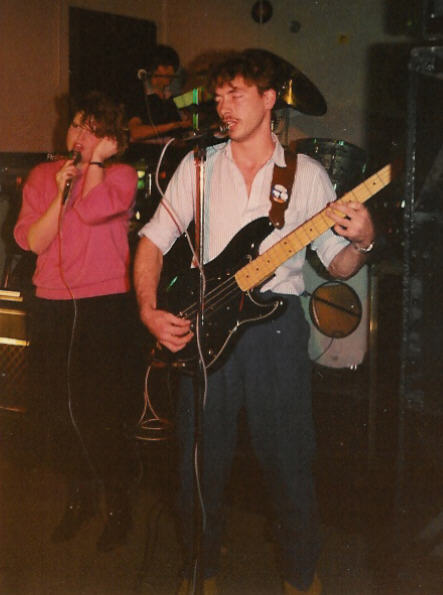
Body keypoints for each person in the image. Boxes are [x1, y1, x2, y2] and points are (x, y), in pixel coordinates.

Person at [133, 50, 376, 594]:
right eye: (219, 96)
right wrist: (149, 309)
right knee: (199, 462)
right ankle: (202, 568)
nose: (223, 106)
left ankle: (300, 574)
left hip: (275, 329)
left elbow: (335, 263)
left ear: (269, 100)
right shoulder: (198, 166)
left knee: (288, 459)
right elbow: (153, 239)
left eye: (236, 94)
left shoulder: (306, 175)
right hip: (206, 322)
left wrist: (362, 241)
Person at [14, 91, 143, 553]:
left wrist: (95, 165)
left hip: (103, 304)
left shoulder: (122, 175)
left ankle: (118, 504)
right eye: (75, 125)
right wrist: (58, 192)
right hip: (52, 304)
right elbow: (33, 241)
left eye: (92, 128)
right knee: (61, 408)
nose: (79, 134)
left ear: (110, 139)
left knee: (103, 410)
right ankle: (79, 499)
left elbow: (92, 210)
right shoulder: (43, 177)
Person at [127, 44, 192, 146]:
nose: (171, 71)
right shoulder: (139, 96)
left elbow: (188, 123)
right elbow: (135, 133)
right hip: (146, 152)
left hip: (173, 152)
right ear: (152, 68)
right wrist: (173, 126)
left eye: (174, 68)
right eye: (166, 67)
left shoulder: (173, 97)